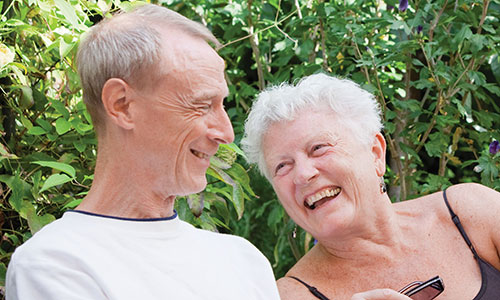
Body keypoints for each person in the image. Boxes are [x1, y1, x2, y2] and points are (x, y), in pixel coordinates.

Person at [5, 4, 281, 299]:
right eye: (202, 105)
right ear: (122, 105)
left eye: (221, 105)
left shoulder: (243, 262)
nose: (226, 134)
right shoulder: (56, 264)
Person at [241, 73, 500, 300]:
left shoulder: (470, 212)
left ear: (376, 153)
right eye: (282, 166)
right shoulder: (290, 295)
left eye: (318, 148)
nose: (303, 175)